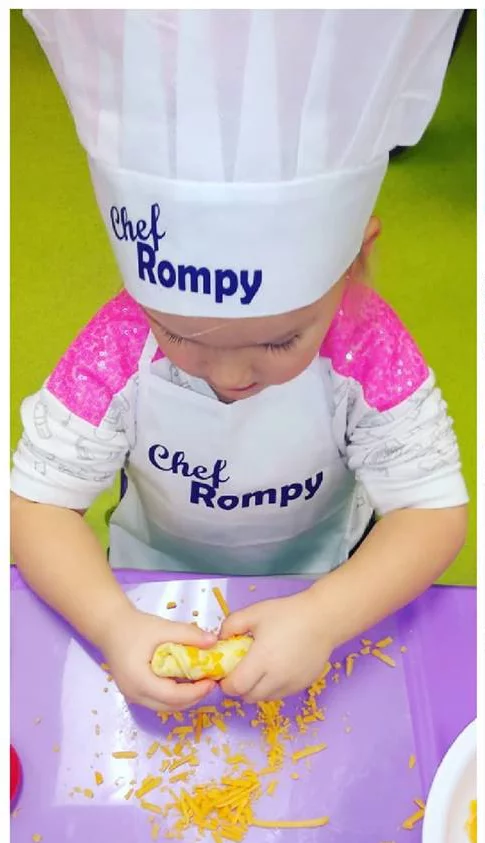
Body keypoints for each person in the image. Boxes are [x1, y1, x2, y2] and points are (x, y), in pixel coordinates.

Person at [11, 10, 467, 712]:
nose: (227, 376)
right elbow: (36, 506)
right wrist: (112, 623)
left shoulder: (366, 347)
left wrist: (324, 616)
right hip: (146, 584)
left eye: (279, 341)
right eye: (177, 334)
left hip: (326, 582)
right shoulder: (117, 345)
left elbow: (430, 512)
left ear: (352, 262)